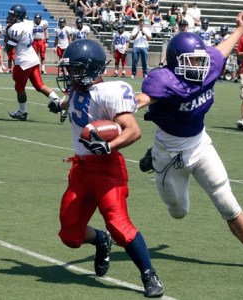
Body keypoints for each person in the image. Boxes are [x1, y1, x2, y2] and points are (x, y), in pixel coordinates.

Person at [137, 11, 243, 273]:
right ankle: (153, 155)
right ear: (175, 62)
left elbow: (220, 51)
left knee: (225, 199)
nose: (200, 65)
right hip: (169, 152)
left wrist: (239, 30)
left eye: (200, 60)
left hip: (199, 143)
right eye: (192, 60)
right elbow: (141, 100)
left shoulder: (209, 65)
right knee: (178, 211)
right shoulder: (164, 81)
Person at [51, 38, 164, 298]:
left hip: (106, 167)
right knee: (70, 233)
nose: (70, 75)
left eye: (75, 69)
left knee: (119, 224)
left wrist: (109, 147)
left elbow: (133, 131)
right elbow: (72, 99)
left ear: (91, 69)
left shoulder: (109, 92)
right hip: (81, 168)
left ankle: (149, 274)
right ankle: (101, 240)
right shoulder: (79, 88)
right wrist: (59, 104)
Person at [4, 4, 66, 123]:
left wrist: (7, 33)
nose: (10, 17)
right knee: (40, 85)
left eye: (13, 15)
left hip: (23, 62)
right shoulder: (28, 23)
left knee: (19, 88)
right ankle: (60, 103)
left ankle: (22, 112)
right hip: (33, 58)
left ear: (19, 16)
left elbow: (9, 48)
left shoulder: (14, 29)